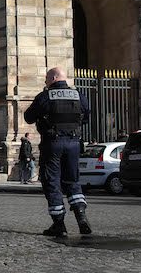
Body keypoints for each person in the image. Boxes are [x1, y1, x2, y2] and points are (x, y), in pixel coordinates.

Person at [25, 67, 92, 237]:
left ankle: (59, 225)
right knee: (72, 180)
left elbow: (28, 117)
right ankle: (81, 218)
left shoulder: (45, 96)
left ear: (53, 78)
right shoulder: (79, 96)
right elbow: (86, 117)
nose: (45, 82)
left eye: (47, 79)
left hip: (52, 143)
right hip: (74, 143)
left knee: (52, 182)